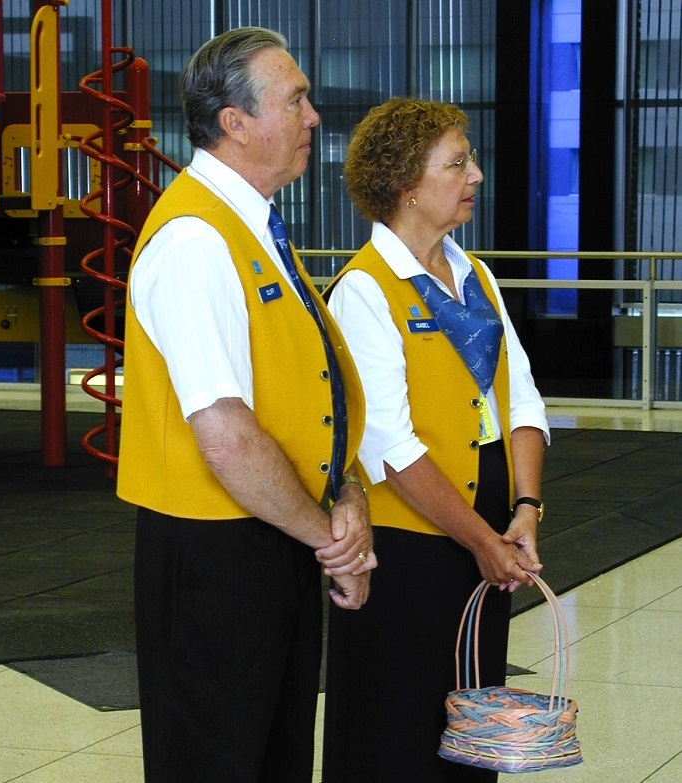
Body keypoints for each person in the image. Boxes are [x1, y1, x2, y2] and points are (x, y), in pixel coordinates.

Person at [116, 27, 376, 783]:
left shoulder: (256, 229)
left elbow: (311, 386)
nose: (313, 116)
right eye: (295, 98)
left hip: (276, 527)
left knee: (273, 752)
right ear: (234, 122)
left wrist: (345, 492)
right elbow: (225, 436)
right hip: (217, 550)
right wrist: (330, 536)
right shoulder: (197, 238)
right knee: (216, 757)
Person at [322, 97, 550, 783]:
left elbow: (523, 400)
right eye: (456, 163)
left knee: (469, 730)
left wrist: (525, 509)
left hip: (485, 537)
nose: (475, 174)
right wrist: (483, 541)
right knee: (397, 731)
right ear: (406, 187)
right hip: (408, 550)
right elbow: (389, 447)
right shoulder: (363, 290)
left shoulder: (473, 276)